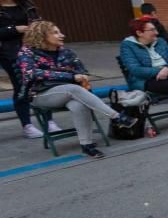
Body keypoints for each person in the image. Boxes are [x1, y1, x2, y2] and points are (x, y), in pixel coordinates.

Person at [17, 21, 136, 157]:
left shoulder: (66, 52)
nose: (62, 35)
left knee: (78, 104)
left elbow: (82, 70)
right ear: (41, 35)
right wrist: (70, 76)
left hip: (71, 93)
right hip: (40, 94)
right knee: (73, 88)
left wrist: (83, 76)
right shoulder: (27, 52)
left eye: (60, 32)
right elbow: (31, 73)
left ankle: (87, 145)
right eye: (56, 33)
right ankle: (116, 116)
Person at [120, 16, 168, 133]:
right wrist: (161, 70)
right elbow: (135, 70)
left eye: (155, 29)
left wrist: (167, 68)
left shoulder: (160, 41)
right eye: (152, 30)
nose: (156, 32)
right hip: (145, 81)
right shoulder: (128, 45)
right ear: (139, 33)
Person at [0, 0, 44, 138]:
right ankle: (27, 125)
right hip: (9, 53)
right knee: (21, 87)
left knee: (41, 84)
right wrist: (13, 30)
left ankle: (49, 121)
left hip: (33, 49)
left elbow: (39, 24)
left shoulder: (26, 5)